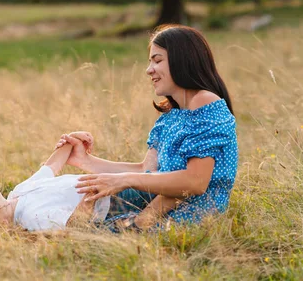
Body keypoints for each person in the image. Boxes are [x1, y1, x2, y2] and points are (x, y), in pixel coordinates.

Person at [57, 24, 238, 230]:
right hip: (157, 202)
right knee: (75, 202)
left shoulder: (204, 102)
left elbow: (195, 182)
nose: (148, 69)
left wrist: (135, 209)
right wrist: (85, 160)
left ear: (183, 60)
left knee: (89, 235)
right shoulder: (171, 114)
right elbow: (146, 170)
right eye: (150, 61)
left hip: (189, 215)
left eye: (157, 60)